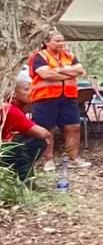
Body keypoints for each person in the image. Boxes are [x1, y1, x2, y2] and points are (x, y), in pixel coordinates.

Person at [28, 29, 89, 171]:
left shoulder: (69, 55)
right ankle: (48, 160)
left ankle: (74, 158)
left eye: (62, 40)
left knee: (73, 126)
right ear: (46, 42)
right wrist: (69, 73)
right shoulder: (39, 57)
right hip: (45, 98)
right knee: (47, 129)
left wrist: (57, 70)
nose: (61, 43)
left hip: (68, 97)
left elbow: (79, 69)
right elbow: (46, 75)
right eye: (57, 41)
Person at [1, 93, 52, 184]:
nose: (30, 93)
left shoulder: (6, 106)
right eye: (26, 89)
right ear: (14, 94)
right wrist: (45, 135)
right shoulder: (10, 109)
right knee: (39, 142)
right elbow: (42, 133)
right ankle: (23, 178)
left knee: (27, 137)